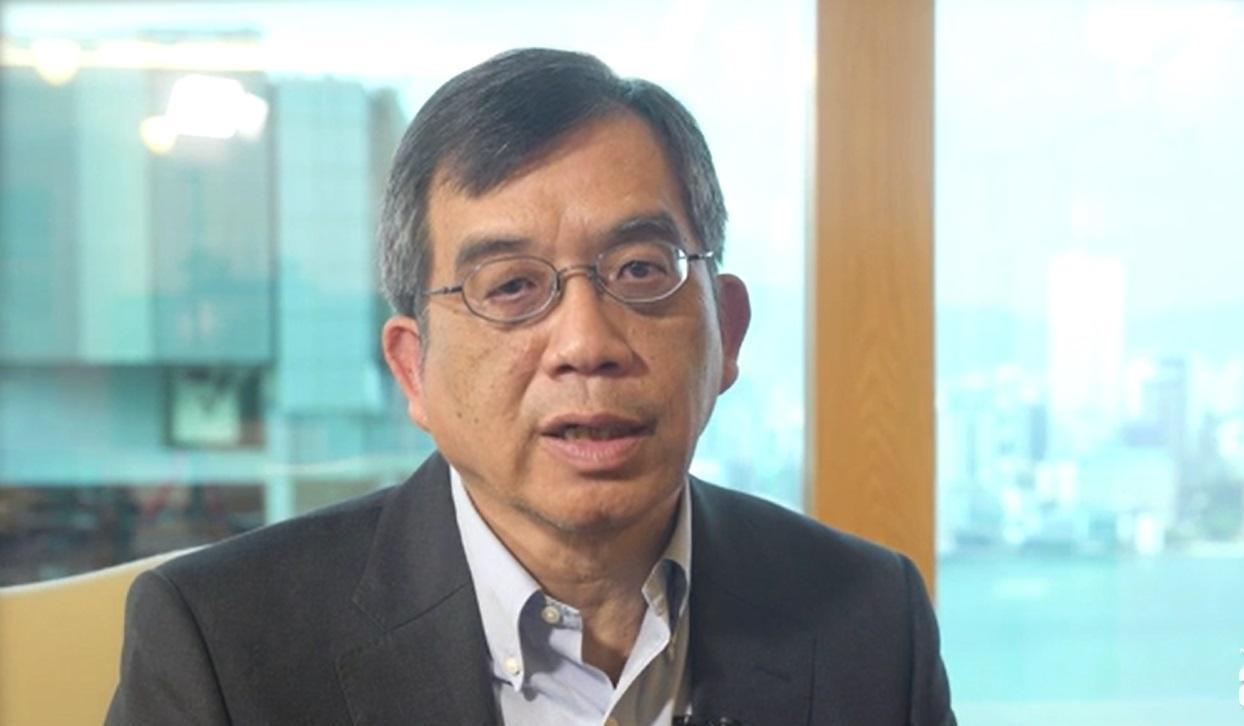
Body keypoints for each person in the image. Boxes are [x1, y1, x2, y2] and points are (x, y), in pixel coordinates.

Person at [107, 48, 955, 725]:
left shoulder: (869, 617)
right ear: (414, 369)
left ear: (727, 331)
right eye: (511, 287)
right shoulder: (223, 645)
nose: (587, 344)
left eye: (639, 269)